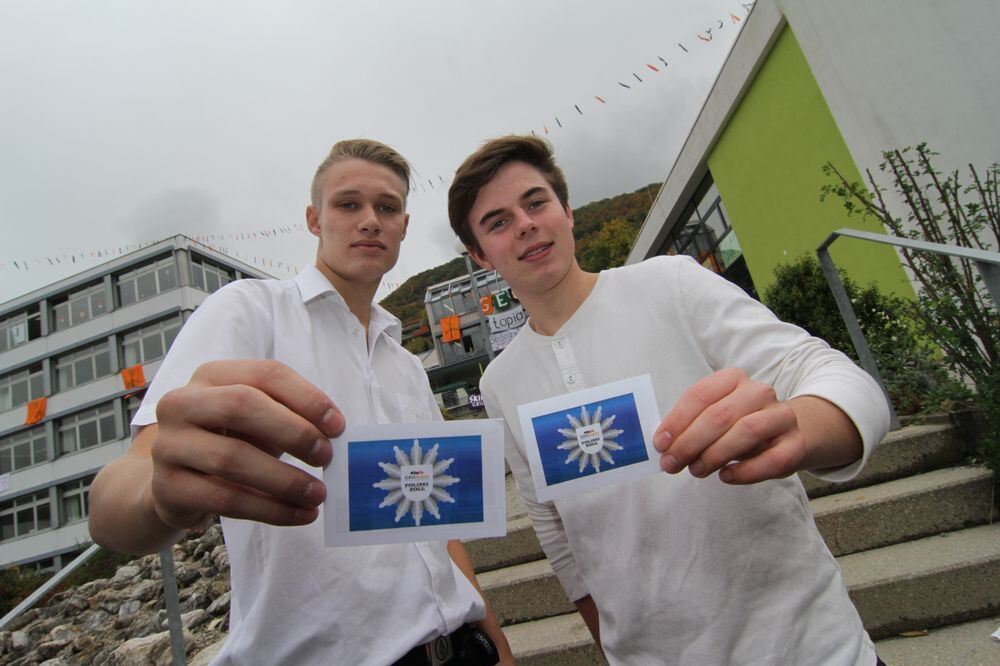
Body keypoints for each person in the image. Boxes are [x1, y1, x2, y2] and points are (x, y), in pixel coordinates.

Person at [447, 135, 891, 665]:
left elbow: (833, 376)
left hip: (811, 650)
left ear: (566, 211)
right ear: (480, 254)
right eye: (498, 222)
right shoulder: (501, 381)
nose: (524, 224)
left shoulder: (670, 283)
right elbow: (559, 536)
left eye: (535, 202)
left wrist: (803, 426)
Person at [89, 139, 513, 666]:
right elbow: (114, 500)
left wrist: (495, 640)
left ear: (404, 226)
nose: (369, 220)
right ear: (314, 219)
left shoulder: (405, 363)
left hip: (459, 648)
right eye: (348, 204)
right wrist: (159, 498)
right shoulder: (249, 313)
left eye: (386, 207)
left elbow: (439, 524)